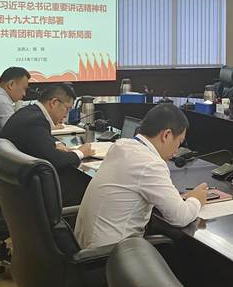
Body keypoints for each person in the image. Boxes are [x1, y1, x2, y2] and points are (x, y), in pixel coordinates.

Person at [75, 104, 208, 249]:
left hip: (85, 247)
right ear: (166, 135)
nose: (177, 151)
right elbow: (179, 217)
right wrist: (196, 199)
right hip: (112, 254)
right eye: (179, 142)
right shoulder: (150, 164)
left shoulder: (121, 145)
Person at [0, 84, 95, 205]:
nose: (66, 115)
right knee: (90, 185)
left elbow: (42, 137)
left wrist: (57, 143)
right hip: (27, 192)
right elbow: (56, 160)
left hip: (14, 183)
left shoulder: (30, 112)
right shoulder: (35, 120)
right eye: (67, 108)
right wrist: (81, 152)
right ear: (54, 103)